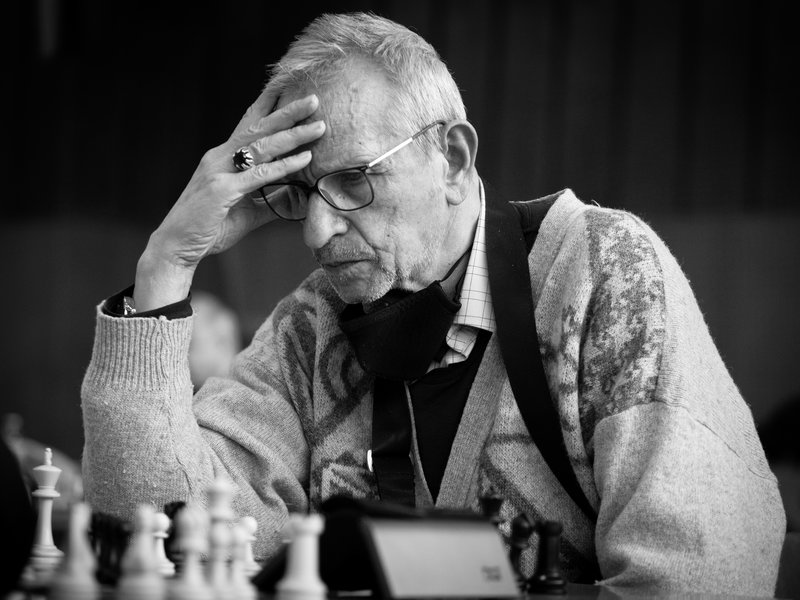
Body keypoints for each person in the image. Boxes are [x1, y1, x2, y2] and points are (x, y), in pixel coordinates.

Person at [81, 12, 785, 595]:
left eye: (353, 181)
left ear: (452, 158)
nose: (318, 232)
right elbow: (158, 541)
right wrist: (166, 265)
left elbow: (702, 580)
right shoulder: (310, 327)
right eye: (299, 195)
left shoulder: (605, 271)